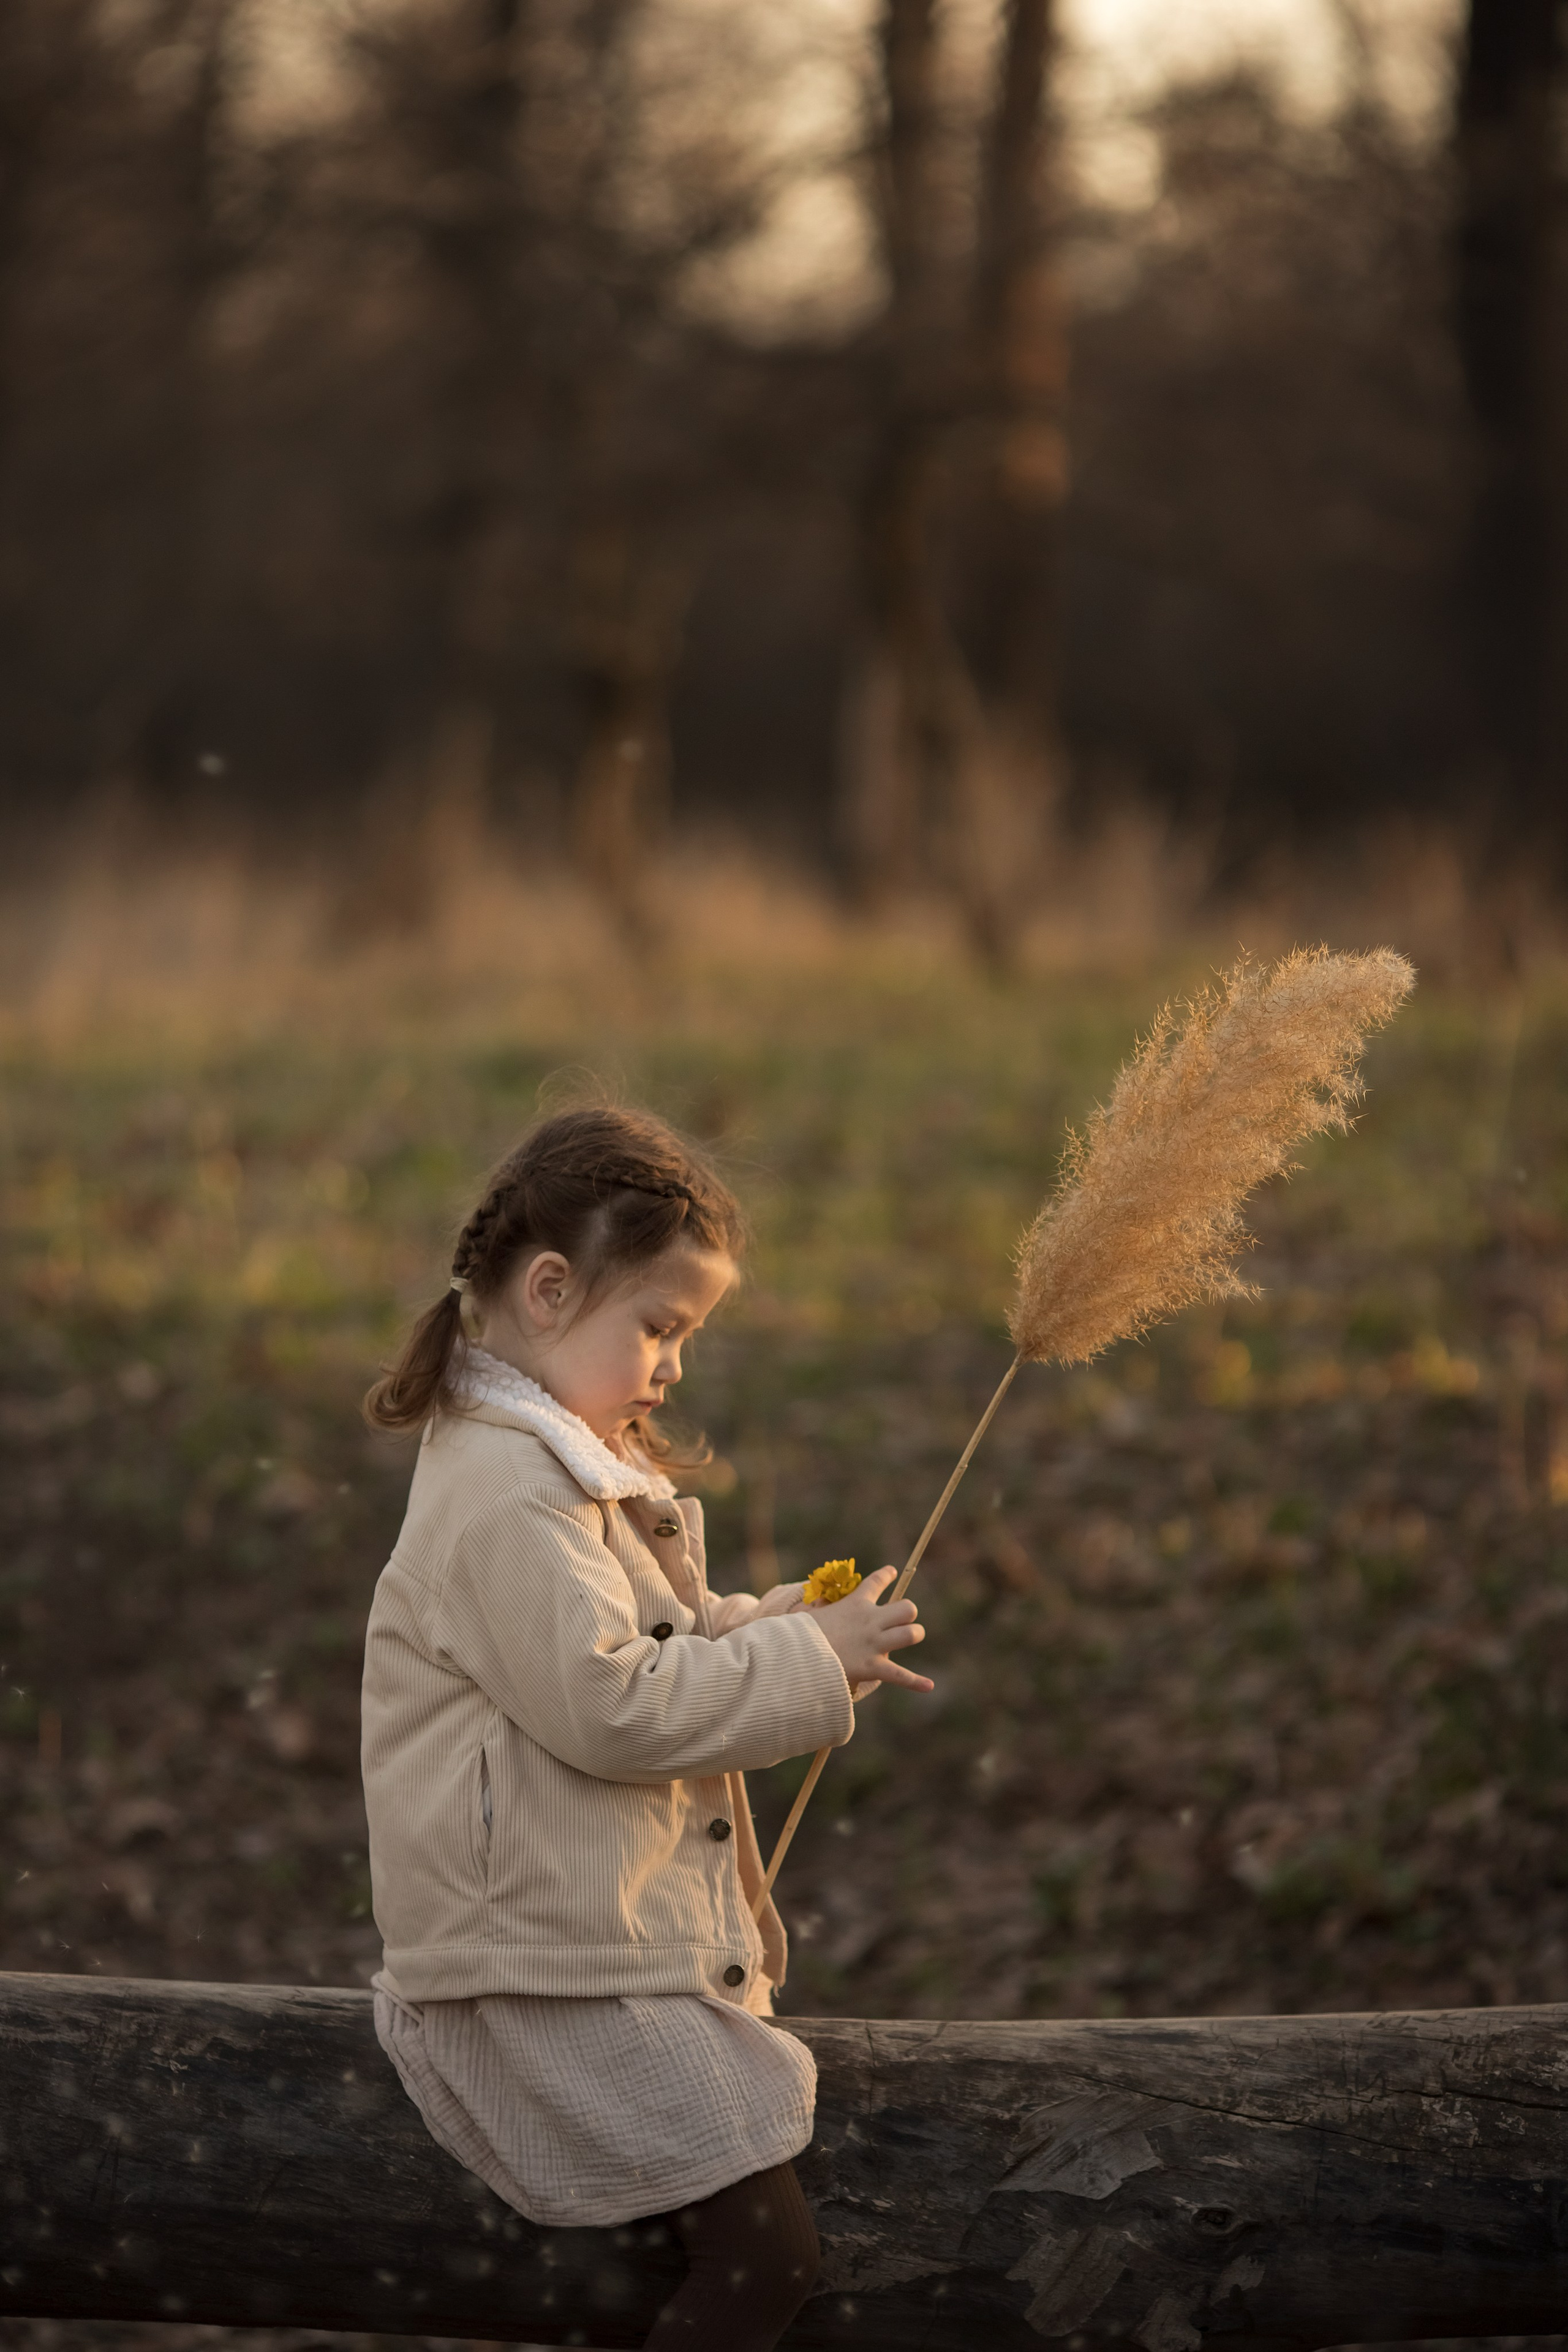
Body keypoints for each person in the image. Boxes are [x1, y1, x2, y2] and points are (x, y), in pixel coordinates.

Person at [360, 1104, 932, 2351]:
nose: (672, 1368)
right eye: (660, 1328)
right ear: (549, 1291)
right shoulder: (508, 1493)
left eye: (686, 1338)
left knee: (754, 2250)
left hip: (577, 1947)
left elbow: (650, 1641)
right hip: (536, 1972)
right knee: (766, 2257)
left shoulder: (553, 1464)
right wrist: (800, 1665)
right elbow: (613, 1705)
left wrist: (780, 1625)